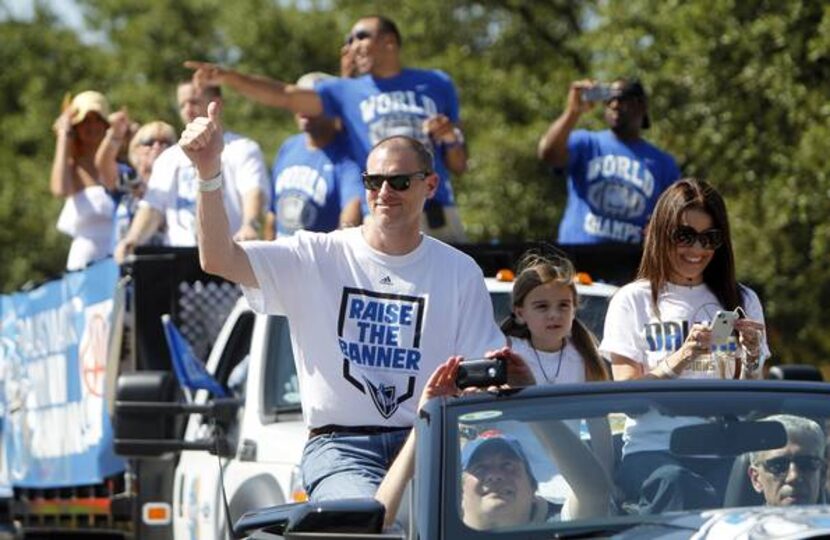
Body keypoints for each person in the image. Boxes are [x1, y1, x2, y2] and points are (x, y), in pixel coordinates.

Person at [178, 97, 504, 501]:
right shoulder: (317, 253)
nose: (385, 192)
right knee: (360, 518)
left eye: (400, 182)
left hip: (433, 441)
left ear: (430, 185)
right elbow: (218, 259)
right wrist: (208, 172)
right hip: (341, 448)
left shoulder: (459, 271)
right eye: (373, 181)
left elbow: (484, 375)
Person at [185, 15, 468, 242]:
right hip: (383, 213)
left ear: (390, 41)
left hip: (437, 213)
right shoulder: (344, 90)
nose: (353, 44)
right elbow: (285, 94)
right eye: (349, 39)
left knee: (447, 302)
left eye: (361, 36)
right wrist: (229, 77)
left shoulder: (437, 83)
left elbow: (459, 163)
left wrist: (450, 138)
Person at [600, 178, 770, 513]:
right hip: (654, 452)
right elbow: (627, 399)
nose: (697, 249)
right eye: (684, 236)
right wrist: (679, 358)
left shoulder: (742, 299)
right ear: (661, 233)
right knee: (677, 485)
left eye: (710, 238)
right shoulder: (631, 300)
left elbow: (752, 395)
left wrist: (751, 355)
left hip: (724, 448)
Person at [375, 358, 611, 531]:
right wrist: (426, 418)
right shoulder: (435, 529)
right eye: (480, 468)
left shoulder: (556, 530)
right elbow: (378, 522)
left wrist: (532, 402)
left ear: (533, 492)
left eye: (509, 465)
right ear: (459, 496)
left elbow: (594, 493)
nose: (495, 475)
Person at [114, 81, 268, 262]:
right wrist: (133, 238)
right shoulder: (169, 158)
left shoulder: (242, 148)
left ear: (216, 104)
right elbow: (152, 208)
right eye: (182, 105)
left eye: (194, 102)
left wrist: (249, 226)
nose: (187, 109)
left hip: (230, 258)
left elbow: (253, 192)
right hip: (180, 263)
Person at [537, 79, 680, 245]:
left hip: (630, 263)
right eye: (608, 99)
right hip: (576, 258)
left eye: (621, 98)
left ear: (641, 106)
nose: (614, 105)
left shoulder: (663, 163)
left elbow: (675, 217)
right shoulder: (586, 143)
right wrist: (573, 112)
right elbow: (548, 154)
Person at [267, 72, 364, 237]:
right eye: (299, 100)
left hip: (319, 259)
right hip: (280, 257)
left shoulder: (350, 154)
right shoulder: (289, 146)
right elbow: (272, 215)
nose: (303, 108)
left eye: (311, 102)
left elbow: (351, 217)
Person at [51, 90, 116, 270]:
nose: (92, 126)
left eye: (97, 119)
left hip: (118, 257)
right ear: (76, 127)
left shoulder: (120, 164)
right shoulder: (72, 168)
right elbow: (60, 189)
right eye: (85, 121)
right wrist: (64, 136)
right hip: (85, 260)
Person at [99, 120, 177, 247]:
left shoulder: (179, 186)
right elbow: (103, 167)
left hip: (165, 260)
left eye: (165, 142)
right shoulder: (127, 178)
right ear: (136, 149)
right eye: (149, 142)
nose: (157, 147)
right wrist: (114, 135)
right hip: (122, 260)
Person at [748, 414, 825, 507]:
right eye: (778, 466)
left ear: (822, 474)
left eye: (806, 463)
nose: (793, 476)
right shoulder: (731, 521)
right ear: (756, 479)